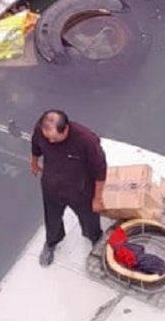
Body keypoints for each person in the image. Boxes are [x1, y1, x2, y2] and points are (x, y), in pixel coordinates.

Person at [30, 109, 107, 267]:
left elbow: (100, 171)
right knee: (52, 219)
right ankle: (52, 241)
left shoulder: (86, 141)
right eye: (47, 138)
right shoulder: (41, 131)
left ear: (65, 129)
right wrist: (34, 163)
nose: (50, 142)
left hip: (81, 190)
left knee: (90, 221)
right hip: (52, 186)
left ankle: (95, 240)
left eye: (54, 138)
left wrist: (97, 199)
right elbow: (35, 146)